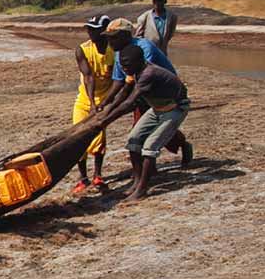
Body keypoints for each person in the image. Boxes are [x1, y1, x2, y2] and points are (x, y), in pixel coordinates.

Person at [89, 44, 191, 201]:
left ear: (139, 61)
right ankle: (136, 182)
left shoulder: (148, 73)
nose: (124, 68)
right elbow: (123, 95)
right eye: (122, 65)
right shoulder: (133, 72)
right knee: (134, 140)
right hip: (157, 107)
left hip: (174, 108)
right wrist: (105, 110)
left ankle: (142, 189)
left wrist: (105, 122)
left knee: (150, 146)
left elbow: (130, 102)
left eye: (127, 65)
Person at [100, 18, 192, 165]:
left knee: (153, 130)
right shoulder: (119, 53)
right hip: (144, 92)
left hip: (162, 93)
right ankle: (149, 167)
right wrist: (106, 102)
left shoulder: (142, 49)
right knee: (148, 128)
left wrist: (110, 115)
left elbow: (137, 80)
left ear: (126, 35)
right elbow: (119, 81)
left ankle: (151, 166)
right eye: (108, 38)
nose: (110, 42)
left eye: (114, 38)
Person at [71, 14, 116, 194]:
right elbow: (88, 76)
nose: (90, 32)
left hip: (105, 99)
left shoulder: (114, 50)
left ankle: (98, 175)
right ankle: (83, 178)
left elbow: (117, 78)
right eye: (88, 28)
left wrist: (107, 103)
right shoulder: (82, 50)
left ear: (104, 31)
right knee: (78, 138)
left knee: (99, 139)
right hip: (85, 100)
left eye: (94, 29)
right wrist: (91, 104)